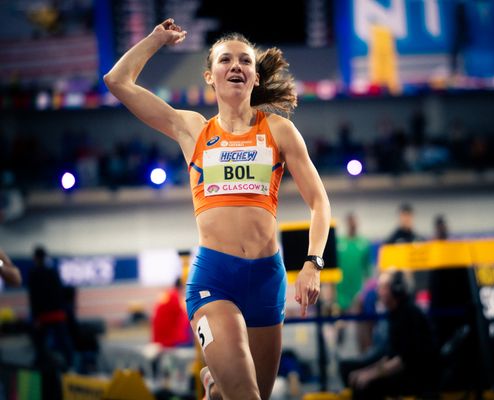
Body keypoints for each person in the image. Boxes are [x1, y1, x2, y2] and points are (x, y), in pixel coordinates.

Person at [103, 19, 331, 400]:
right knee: (246, 395)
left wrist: (313, 263)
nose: (236, 66)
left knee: (251, 392)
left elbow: (320, 203)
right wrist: (156, 39)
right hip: (215, 279)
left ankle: (214, 387)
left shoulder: (278, 130)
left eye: (245, 61)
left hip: (266, 279)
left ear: (256, 78)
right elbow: (116, 81)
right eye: (226, 60)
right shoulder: (193, 129)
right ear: (210, 76)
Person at [347, 270, 438, 399]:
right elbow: (391, 356)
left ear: (397, 289)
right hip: (408, 372)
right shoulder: (396, 314)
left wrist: (370, 375)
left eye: (383, 287)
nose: (378, 292)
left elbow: (403, 360)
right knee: (358, 378)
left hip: (419, 376)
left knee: (367, 385)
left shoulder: (408, 315)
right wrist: (366, 371)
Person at [27, 245, 75, 369]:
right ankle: (70, 366)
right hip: (58, 314)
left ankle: (41, 366)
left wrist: (35, 318)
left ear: (35, 258)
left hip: (43, 316)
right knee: (64, 342)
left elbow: (34, 298)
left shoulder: (33, 274)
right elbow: (61, 294)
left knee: (40, 343)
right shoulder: (53, 273)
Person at [152, 277, 192, 348]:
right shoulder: (177, 298)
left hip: (158, 339)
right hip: (171, 341)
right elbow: (188, 317)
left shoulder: (167, 294)